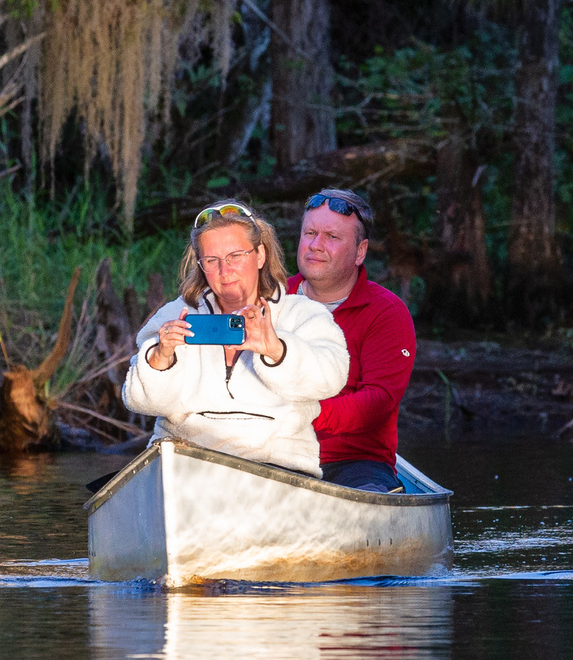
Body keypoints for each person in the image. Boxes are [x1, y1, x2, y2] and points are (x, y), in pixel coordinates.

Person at [123, 200, 350, 475]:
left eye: (235, 256)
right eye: (212, 260)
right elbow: (139, 402)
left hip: (277, 467)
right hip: (183, 465)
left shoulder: (303, 314)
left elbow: (333, 377)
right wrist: (160, 358)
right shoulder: (175, 314)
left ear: (260, 255)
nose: (224, 270)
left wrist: (277, 350)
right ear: (201, 265)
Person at [286, 188, 416, 492]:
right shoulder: (271, 297)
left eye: (332, 237)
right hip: (273, 451)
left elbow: (378, 402)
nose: (315, 245)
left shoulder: (387, 312)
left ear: (360, 251)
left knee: (369, 492)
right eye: (310, 233)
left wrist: (301, 415)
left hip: (354, 462)